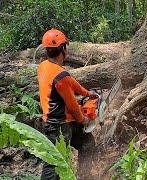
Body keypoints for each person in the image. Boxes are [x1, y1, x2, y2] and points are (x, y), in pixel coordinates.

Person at [37, 29, 96, 180]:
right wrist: (84, 120)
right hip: (58, 125)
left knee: (87, 142)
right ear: (62, 49)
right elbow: (72, 105)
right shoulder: (60, 75)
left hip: (63, 122)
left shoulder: (44, 66)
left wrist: (87, 94)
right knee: (54, 165)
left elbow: (72, 83)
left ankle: (83, 177)